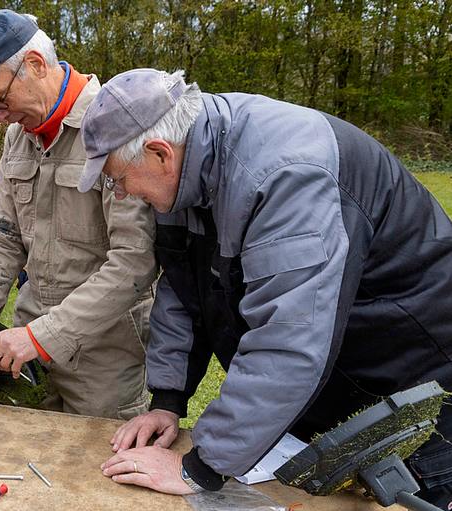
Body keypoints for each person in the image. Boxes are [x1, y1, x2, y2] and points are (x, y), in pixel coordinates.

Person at [77, 68, 452, 506]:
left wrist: (201, 466)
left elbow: (289, 339)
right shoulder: (185, 174)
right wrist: (168, 398)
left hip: (417, 379)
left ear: (160, 153)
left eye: (118, 179)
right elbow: (182, 290)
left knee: (418, 495)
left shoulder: (285, 174)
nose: (120, 193)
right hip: (333, 379)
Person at [0, 9, 158, 419]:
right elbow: (2, 237)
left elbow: (135, 261)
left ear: (36, 66)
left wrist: (41, 337)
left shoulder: (114, 125)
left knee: (95, 474)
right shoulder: (18, 137)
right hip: (24, 348)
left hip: (103, 357)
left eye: (1, 101)